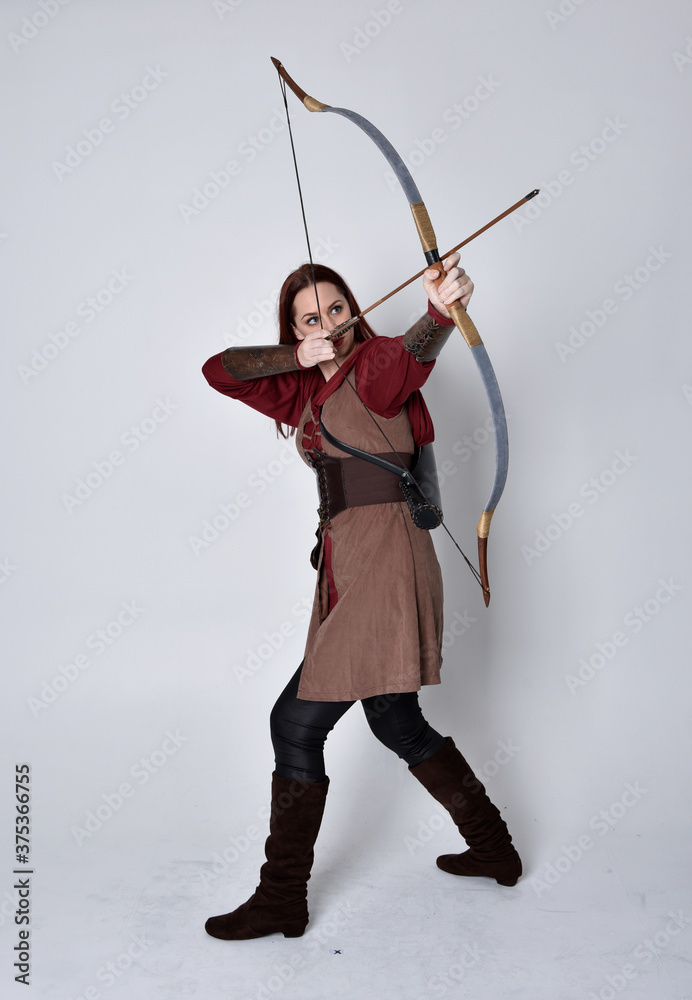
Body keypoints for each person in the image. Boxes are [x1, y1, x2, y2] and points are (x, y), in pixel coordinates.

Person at [200, 253, 521, 941]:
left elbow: (415, 349)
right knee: (396, 721)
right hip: (354, 561)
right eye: (310, 317)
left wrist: (439, 308)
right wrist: (294, 354)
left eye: (337, 309)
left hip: (387, 559)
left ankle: (281, 895)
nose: (330, 325)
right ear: (295, 328)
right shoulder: (301, 389)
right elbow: (218, 371)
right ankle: (494, 846)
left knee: (295, 724)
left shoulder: (375, 367)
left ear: (355, 311)